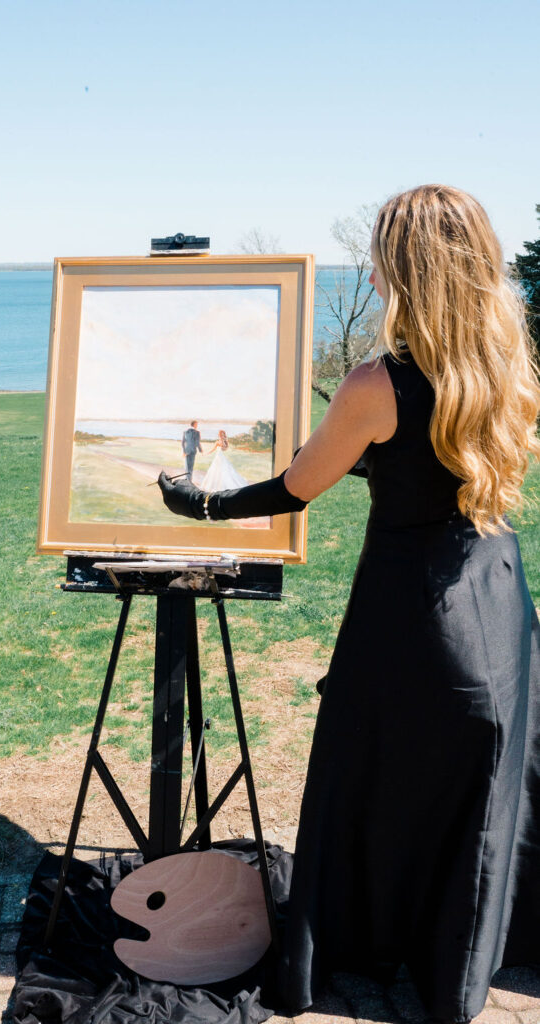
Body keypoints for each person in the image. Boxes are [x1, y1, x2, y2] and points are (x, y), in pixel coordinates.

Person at [158, 184, 540, 1024]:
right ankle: (461, 952)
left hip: (412, 615)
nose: (368, 268)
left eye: (378, 254)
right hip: (497, 604)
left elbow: (296, 487)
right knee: (472, 789)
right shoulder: (507, 365)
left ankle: (363, 940)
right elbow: (434, 463)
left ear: (406, 269)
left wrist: (202, 503)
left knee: (371, 773)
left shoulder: (376, 382)